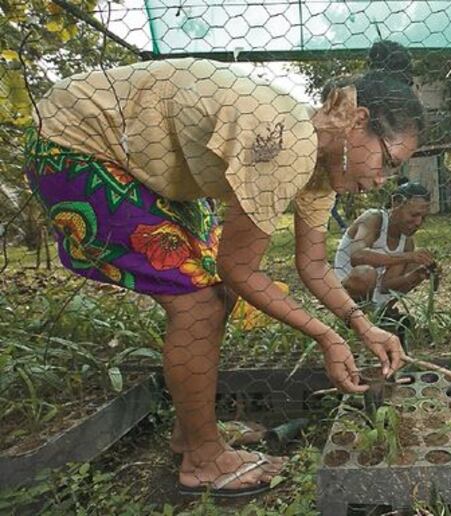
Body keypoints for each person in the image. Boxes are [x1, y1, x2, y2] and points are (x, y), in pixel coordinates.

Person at [24, 40, 423, 496]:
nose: (381, 180)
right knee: (200, 302)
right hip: (76, 140)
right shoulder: (287, 139)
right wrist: (327, 337)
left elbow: (312, 265)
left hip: (141, 164)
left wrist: (362, 326)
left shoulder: (320, 163)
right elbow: (238, 267)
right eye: (388, 161)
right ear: (358, 122)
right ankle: (203, 460)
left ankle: (195, 433)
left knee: (216, 293)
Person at [334, 181, 435, 308]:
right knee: (366, 273)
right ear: (396, 204)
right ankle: (353, 313)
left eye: (423, 217)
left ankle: (383, 311)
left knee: (417, 264)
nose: (418, 222)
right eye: (414, 215)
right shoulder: (373, 218)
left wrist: (415, 276)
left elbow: (386, 286)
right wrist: (408, 256)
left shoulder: (407, 241)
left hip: (375, 297)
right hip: (345, 292)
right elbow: (357, 256)